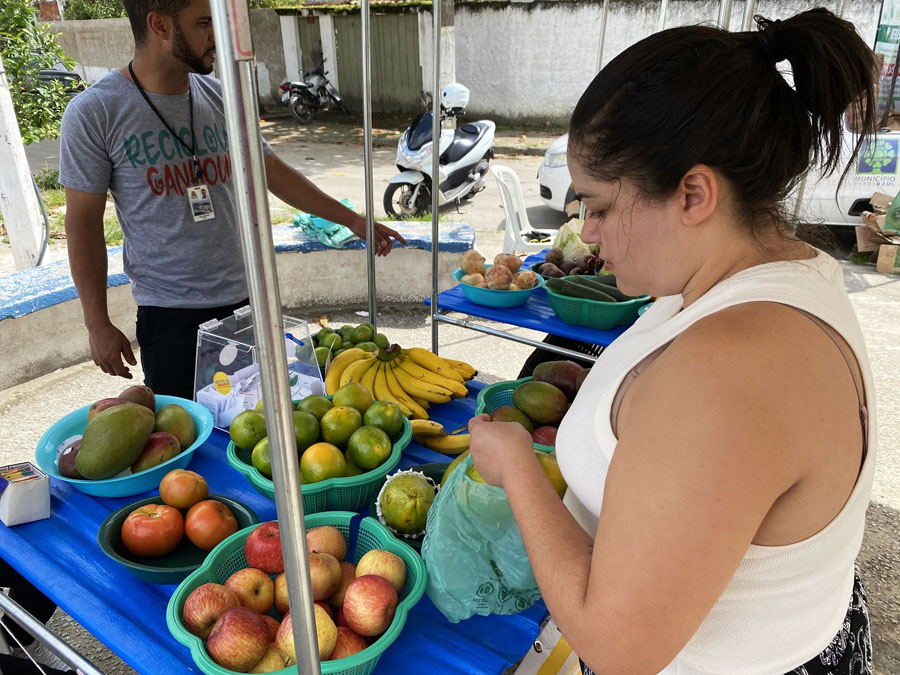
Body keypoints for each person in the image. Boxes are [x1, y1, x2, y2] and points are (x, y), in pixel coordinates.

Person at [468, 8, 877, 674]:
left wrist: (516, 465)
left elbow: (618, 644)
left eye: (598, 206)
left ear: (693, 193)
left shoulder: (728, 370)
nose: (588, 234)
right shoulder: (770, 273)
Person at [59, 0, 406, 400]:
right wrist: (96, 322)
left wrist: (352, 220)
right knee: (190, 444)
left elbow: (270, 172)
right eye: (204, 23)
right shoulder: (96, 112)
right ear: (160, 26)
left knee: (260, 428)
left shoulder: (222, 95)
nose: (216, 36)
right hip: (172, 317)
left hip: (248, 300)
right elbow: (82, 223)